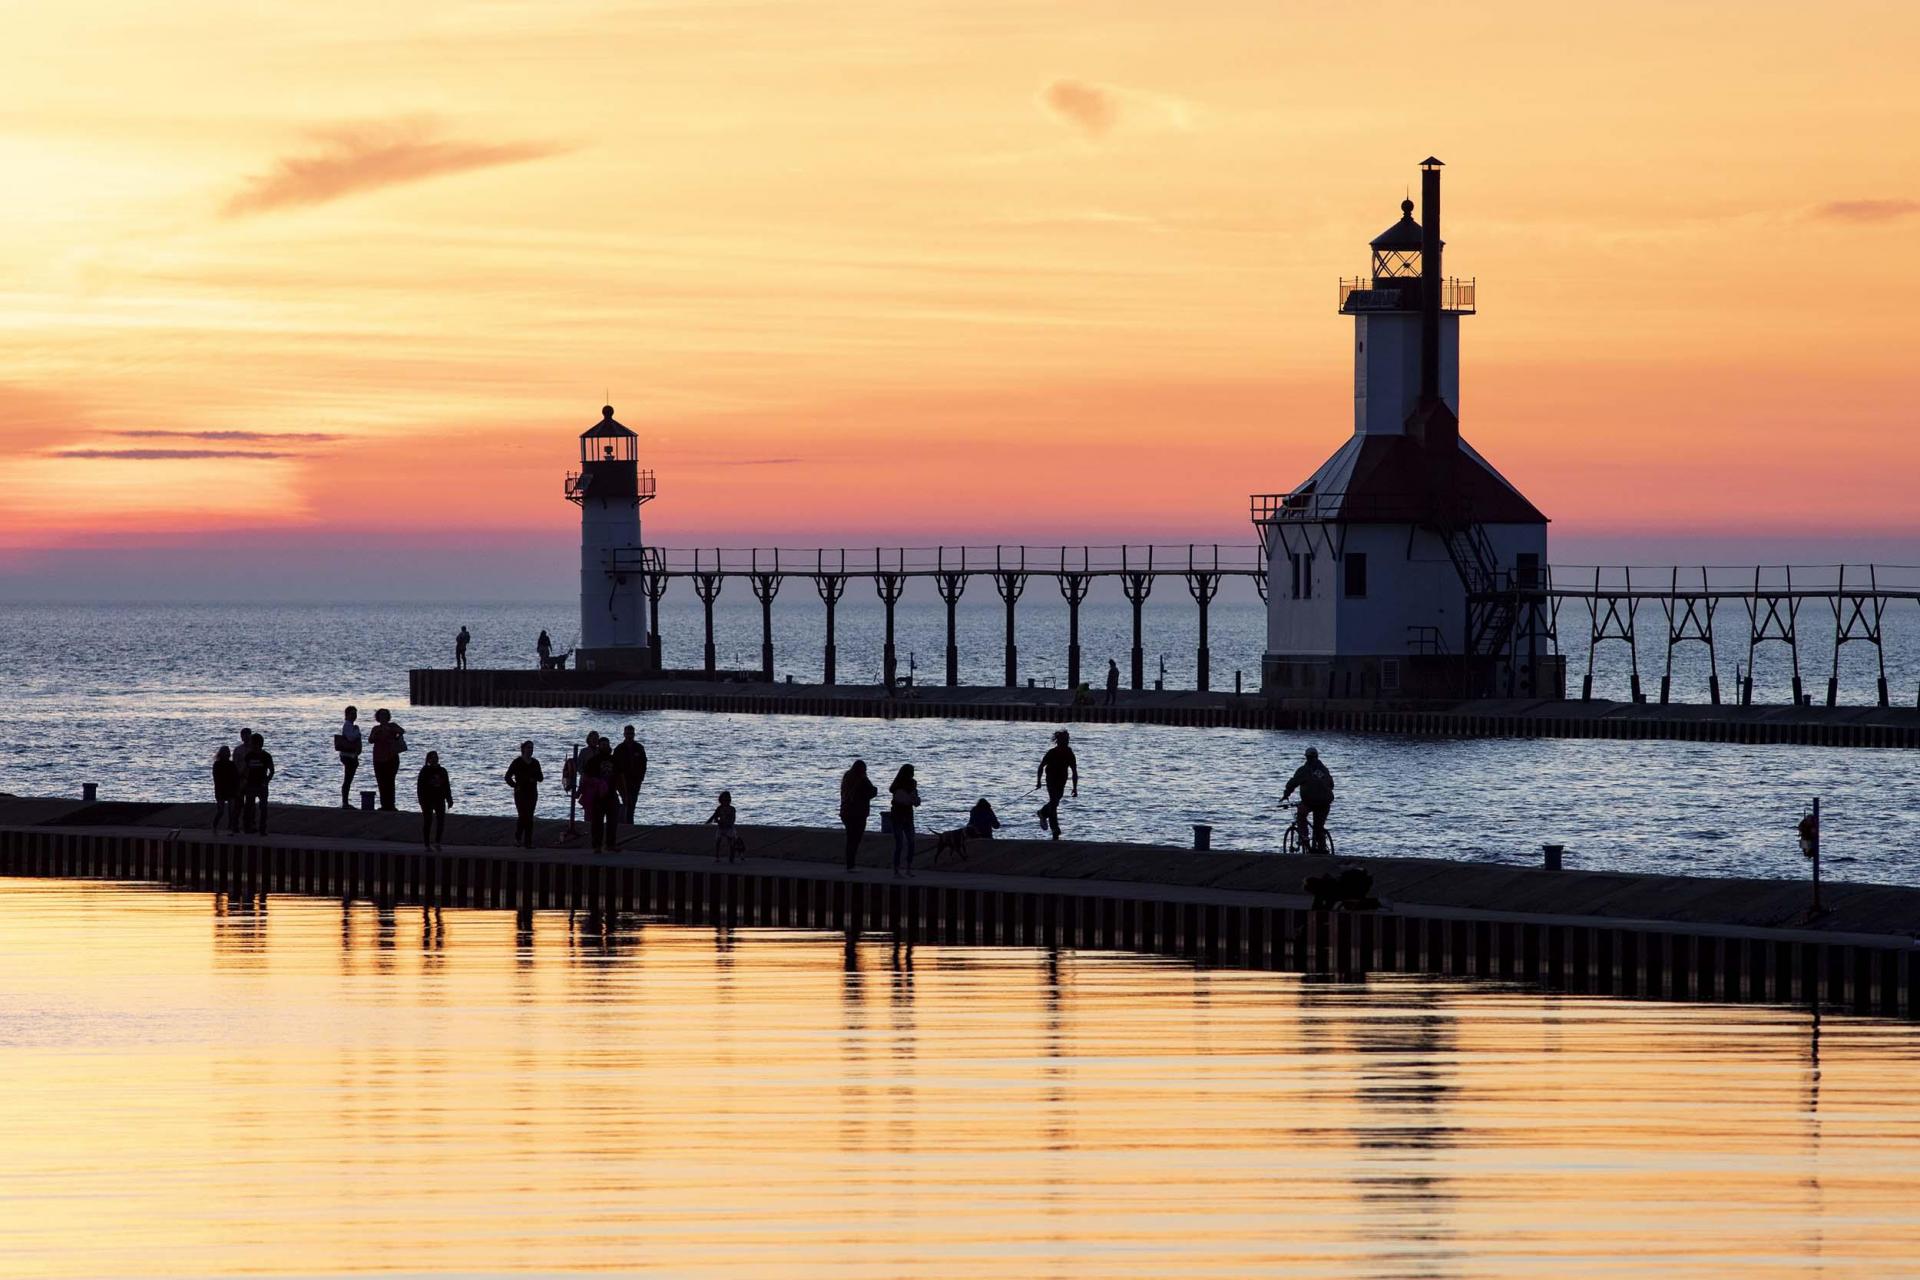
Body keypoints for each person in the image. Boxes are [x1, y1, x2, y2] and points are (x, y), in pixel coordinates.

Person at [1282, 747, 1336, 854]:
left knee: (1301, 816)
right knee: (1318, 826)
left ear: (1306, 757)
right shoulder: (1324, 770)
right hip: (1325, 802)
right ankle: (1322, 848)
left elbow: (1292, 783)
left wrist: (1286, 795)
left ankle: (1305, 838)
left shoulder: (1304, 770)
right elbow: (1331, 785)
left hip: (1310, 801)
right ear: (1317, 756)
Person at [1035, 730, 1079, 841]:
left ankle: (1042, 812)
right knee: (1054, 803)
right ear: (1058, 741)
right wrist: (1039, 782)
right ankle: (1055, 830)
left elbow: (1074, 772)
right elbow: (1041, 767)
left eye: (1067, 740)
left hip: (1062, 782)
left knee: (1055, 802)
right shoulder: (1052, 753)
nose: (1066, 742)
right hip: (1051, 780)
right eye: (1064, 740)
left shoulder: (1069, 754)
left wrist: (1075, 788)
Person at [578, 732, 616, 853]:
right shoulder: (590, 758)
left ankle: (610, 844)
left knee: (612, 821)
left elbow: (619, 777)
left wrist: (623, 793)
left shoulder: (613, 759)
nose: (605, 747)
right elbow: (583, 772)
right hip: (595, 793)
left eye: (607, 744)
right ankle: (597, 845)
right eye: (602, 744)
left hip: (611, 793)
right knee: (596, 821)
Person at [839, 759, 877, 871]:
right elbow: (871, 792)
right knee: (855, 839)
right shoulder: (863, 779)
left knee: (850, 838)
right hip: (858, 814)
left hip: (846, 812)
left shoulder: (847, 778)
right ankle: (851, 865)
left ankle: (850, 864)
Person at [505, 741, 543, 849]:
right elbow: (507, 776)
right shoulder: (517, 762)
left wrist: (534, 777)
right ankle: (518, 838)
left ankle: (528, 842)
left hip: (532, 792)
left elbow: (541, 778)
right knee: (522, 815)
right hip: (520, 792)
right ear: (523, 749)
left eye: (532, 748)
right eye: (528, 748)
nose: (530, 750)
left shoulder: (535, 762)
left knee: (530, 816)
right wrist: (514, 785)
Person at [368, 708, 406, 811]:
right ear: (378, 718)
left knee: (390, 781)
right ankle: (384, 805)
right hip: (378, 758)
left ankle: (391, 804)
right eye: (381, 716)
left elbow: (402, 731)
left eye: (385, 715)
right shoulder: (376, 728)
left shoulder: (392, 726)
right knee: (381, 782)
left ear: (388, 717)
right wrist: (377, 734)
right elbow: (370, 740)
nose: (383, 717)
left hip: (391, 757)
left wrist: (395, 736)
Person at [417, 750, 453, 850]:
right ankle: (427, 844)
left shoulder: (442, 771)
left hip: (439, 799)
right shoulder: (424, 771)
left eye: (436, 757)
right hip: (427, 800)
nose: (434, 759)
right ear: (428, 759)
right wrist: (421, 800)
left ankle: (437, 842)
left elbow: (446, 786)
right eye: (432, 757)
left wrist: (449, 799)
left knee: (441, 821)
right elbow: (420, 787)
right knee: (428, 821)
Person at [888, 764, 919, 877]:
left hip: (902, 815)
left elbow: (915, 800)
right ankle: (901, 869)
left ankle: (903, 869)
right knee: (903, 843)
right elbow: (911, 801)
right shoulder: (900, 786)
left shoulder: (907, 785)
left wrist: (914, 799)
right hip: (900, 816)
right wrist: (913, 800)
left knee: (907, 842)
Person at [240, 732, 274, 836]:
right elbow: (246, 769)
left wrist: (266, 781)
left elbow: (271, 770)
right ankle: (247, 827)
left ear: (259, 744)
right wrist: (243, 780)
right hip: (250, 784)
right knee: (249, 807)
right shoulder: (249, 755)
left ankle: (262, 828)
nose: (251, 745)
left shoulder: (266, 756)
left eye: (253, 743)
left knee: (263, 807)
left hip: (261, 785)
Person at [612, 725, 648, 823]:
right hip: (622, 780)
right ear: (624, 734)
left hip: (635, 781)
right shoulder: (619, 749)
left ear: (634, 734)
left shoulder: (639, 748)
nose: (629, 736)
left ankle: (628, 821)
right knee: (626, 801)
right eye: (627, 733)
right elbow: (614, 766)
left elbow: (643, 764)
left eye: (631, 733)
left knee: (632, 803)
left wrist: (641, 778)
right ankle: (627, 822)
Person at [336, 705, 363, 808]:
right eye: (352, 714)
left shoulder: (351, 725)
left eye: (355, 714)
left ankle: (345, 802)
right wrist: (357, 731)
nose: (354, 716)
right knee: (347, 779)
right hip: (348, 756)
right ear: (346, 715)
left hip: (351, 756)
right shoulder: (348, 725)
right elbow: (351, 738)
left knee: (348, 779)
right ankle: (345, 802)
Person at [230, 728, 254, 833]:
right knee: (238, 804)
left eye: (247, 735)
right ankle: (235, 825)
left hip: (250, 780)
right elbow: (234, 765)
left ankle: (248, 826)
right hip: (239, 779)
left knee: (250, 804)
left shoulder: (254, 750)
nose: (245, 737)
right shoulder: (238, 750)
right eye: (243, 735)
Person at [211, 745, 239, 834]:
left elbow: (236, 777)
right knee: (221, 811)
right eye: (224, 752)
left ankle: (231, 827)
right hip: (220, 790)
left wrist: (236, 788)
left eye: (227, 752)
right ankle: (214, 825)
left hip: (230, 789)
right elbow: (216, 779)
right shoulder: (217, 764)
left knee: (231, 810)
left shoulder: (231, 764)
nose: (226, 754)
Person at [706, 790, 739, 861]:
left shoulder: (732, 809)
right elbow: (714, 816)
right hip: (721, 827)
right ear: (721, 800)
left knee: (730, 842)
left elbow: (733, 819)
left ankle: (731, 856)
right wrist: (712, 821)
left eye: (727, 799)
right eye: (724, 800)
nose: (725, 801)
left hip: (729, 827)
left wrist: (728, 824)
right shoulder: (719, 808)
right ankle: (717, 857)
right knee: (718, 841)